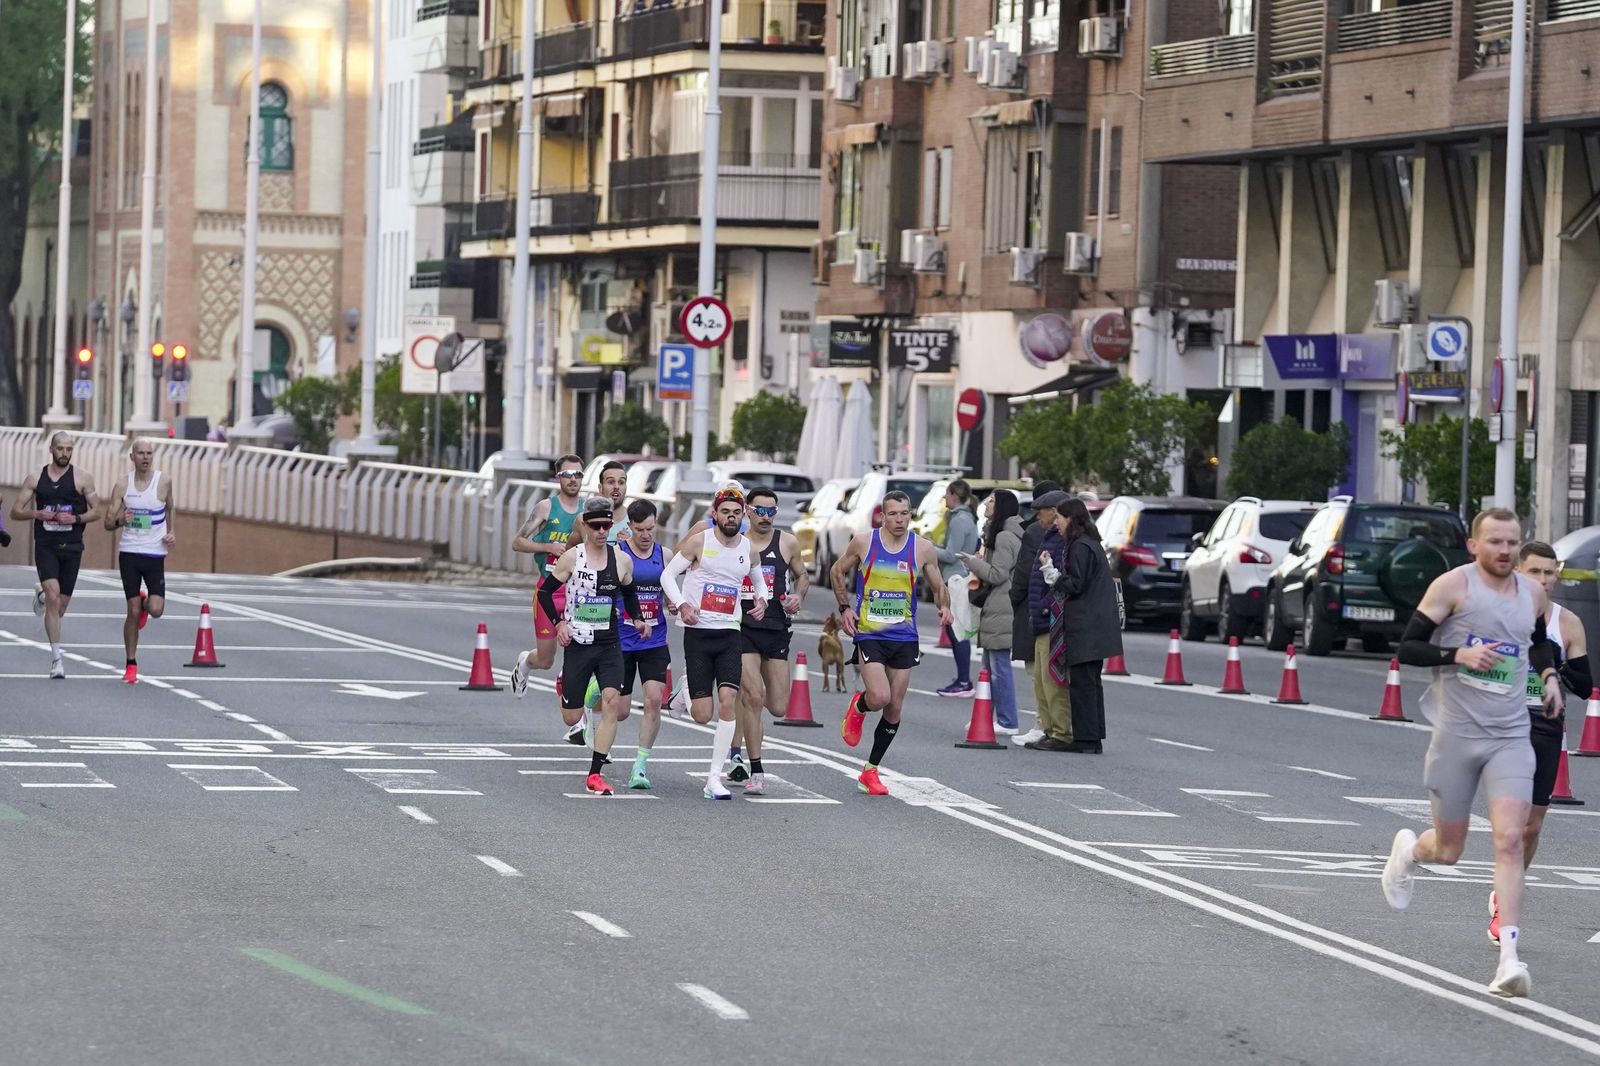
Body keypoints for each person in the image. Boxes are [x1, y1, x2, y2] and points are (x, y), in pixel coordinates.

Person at [1382, 508, 1561, 999]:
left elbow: (1540, 644)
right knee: (1451, 850)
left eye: (1512, 543)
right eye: (1495, 542)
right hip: (1457, 734)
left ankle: (1509, 959)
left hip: (1510, 734)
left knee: (1509, 840)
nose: (1504, 551)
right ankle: (1408, 854)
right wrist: (1457, 655)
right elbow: (1409, 647)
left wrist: (1548, 680)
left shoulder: (1533, 594)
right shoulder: (1452, 587)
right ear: (1474, 546)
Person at [1484, 541, 1592, 943]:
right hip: (1503, 728)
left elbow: (1584, 686)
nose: (1544, 580)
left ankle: (1502, 892)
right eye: (1536, 572)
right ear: (1518, 572)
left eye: (1550, 573)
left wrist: (1554, 664)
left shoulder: (1568, 624)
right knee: (1511, 827)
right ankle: (1508, 913)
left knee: (1531, 829)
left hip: (1545, 729)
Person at [830, 490, 953, 796]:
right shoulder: (864, 542)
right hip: (870, 633)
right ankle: (858, 706)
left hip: (905, 636)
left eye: (905, 514)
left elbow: (939, 584)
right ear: (882, 516)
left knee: (895, 707)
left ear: (911, 515)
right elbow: (836, 571)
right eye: (893, 514)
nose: (899, 520)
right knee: (880, 696)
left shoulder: (922, 547)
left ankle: (870, 770)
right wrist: (845, 607)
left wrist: (945, 605)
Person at [533, 497, 648, 795]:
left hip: (609, 643)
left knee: (611, 703)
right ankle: (567, 686)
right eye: (595, 525)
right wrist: (560, 624)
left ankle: (594, 774)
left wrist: (637, 619)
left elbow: (630, 593)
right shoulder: (572, 557)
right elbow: (546, 593)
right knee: (571, 716)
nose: (601, 531)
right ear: (585, 525)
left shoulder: (621, 560)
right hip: (578, 643)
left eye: (606, 525)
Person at [661, 487, 769, 800]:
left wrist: (762, 599)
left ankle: (713, 778)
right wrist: (682, 604)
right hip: (698, 633)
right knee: (701, 716)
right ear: (715, 513)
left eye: (737, 512)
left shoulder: (747, 549)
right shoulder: (700, 541)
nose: (731, 517)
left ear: (744, 514)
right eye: (726, 512)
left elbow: (759, 580)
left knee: (727, 702)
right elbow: (667, 576)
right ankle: (685, 690)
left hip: (729, 634)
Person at [727, 487, 808, 795]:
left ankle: (735, 700)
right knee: (754, 696)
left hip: (775, 628)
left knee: (777, 706)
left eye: (771, 511)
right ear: (748, 510)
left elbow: (802, 576)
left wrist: (798, 597)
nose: (765, 517)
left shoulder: (786, 542)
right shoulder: (735, 542)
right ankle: (755, 769)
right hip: (742, 626)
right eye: (759, 510)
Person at [9, 432, 103, 678]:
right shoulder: (36, 478)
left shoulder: (83, 478)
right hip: (46, 545)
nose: (64, 453)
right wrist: (36, 514)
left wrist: (76, 518)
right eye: (60, 449)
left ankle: (40, 595)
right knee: (54, 600)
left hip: (72, 547)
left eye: (69, 449)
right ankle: (56, 661)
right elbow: (15, 511)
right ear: (51, 449)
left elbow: (97, 511)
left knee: (59, 607)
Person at [1038, 495, 1122, 753]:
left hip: (1086, 626)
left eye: (1060, 519)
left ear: (1071, 519)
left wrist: (1051, 572)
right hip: (1096, 626)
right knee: (1091, 683)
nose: (1057, 525)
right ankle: (1092, 738)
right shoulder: (1091, 544)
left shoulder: (1080, 547)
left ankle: (1085, 739)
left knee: (1083, 684)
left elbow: (1076, 584)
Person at [103, 439, 177, 684]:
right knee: (132, 610)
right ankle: (131, 664)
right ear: (132, 457)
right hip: (130, 552)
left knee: (156, 610)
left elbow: (171, 508)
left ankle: (146, 603)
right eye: (141, 453)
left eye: (149, 453)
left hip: (155, 553)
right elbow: (107, 523)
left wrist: (172, 531)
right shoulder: (123, 485)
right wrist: (121, 521)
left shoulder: (163, 481)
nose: (145, 457)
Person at [511, 453, 585, 682]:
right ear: (558, 477)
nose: (573, 480)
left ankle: (574, 701)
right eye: (567, 475)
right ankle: (525, 662)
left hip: (579, 589)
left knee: (582, 654)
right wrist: (547, 547)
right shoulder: (546, 507)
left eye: (578, 475)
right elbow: (518, 542)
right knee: (545, 660)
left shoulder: (588, 510)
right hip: (549, 590)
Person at [616, 498, 673, 790]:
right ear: (630, 528)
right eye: (640, 529)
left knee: (653, 700)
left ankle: (640, 764)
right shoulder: (619, 553)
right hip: (622, 640)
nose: (646, 535)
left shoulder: (664, 554)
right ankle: (592, 697)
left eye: (650, 528)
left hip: (654, 639)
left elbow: (674, 588)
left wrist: (675, 603)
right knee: (621, 711)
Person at [960, 490, 1023, 734]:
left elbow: (998, 574)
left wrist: (973, 562)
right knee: (989, 667)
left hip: (1001, 606)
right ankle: (985, 717)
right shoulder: (1000, 533)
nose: (986, 503)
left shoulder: (1006, 537)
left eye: (992, 501)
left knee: (998, 667)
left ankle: (1007, 721)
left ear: (1002, 507)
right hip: (997, 606)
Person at [1007, 480, 1061, 746]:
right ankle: (1053, 726)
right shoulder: (1073, 531)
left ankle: (1044, 725)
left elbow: (1024, 571)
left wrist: (1015, 599)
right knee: (1054, 673)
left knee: (1038, 673)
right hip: (1060, 611)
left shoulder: (1035, 532)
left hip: (1036, 606)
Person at [1018, 490, 1074, 750]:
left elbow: (1060, 578)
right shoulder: (1049, 536)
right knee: (1041, 680)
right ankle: (1049, 729)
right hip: (1040, 617)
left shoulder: (1062, 540)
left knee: (1052, 680)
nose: (1037, 517)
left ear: (1054, 512)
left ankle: (1061, 732)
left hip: (1050, 618)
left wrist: (1043, 607)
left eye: (1041, 512)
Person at [934, 479, 980, 698]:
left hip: (956, 580)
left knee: (957, 630)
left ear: (954, 495)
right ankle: (962, 678)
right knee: (954, 631)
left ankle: (964, 681)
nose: (945, 499)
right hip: (957, 578)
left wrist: (927, 547)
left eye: (946, 494)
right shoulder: (961, 518)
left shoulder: (960, 520)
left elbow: (952, 555)